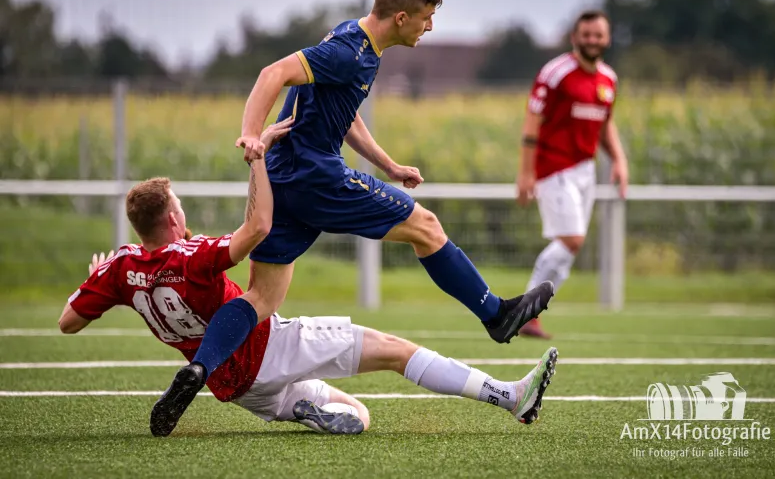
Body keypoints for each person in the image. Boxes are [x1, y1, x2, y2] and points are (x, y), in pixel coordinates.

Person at [149, 0, 557, 433]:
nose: (430, 26)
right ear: (401, 17)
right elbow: (272, 73)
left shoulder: (354, 43)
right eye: (426, 16)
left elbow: (346, 111)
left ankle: (199, 369)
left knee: (261, 298)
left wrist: (387, 165)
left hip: (283, 183)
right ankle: (497, 315)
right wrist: (251, 134)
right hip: (316, 177)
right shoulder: (349, 49)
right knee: (426, 228)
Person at [58, 120, 559, 437]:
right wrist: (258, 160)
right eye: (180, 209)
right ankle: (509, 397)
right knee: (394, 350)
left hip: (237, 389)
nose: (184, 216)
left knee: (357, 414)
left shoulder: (122, 269)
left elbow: (68, 323)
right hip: (265, 346)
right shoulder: (192, 254)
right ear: (171, 219)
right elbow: (256, 229)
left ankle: (307, 410)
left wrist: (99, 275)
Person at [515, 10, 629, 339]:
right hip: (552, 166)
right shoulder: (555, 73)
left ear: (607, 39)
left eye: (599, 35)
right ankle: (524, 311)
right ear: (574, 37)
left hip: (584, 170)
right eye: (587, 34)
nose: (593, 40)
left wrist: (619, 160)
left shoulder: (609, 79)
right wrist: (525, 173)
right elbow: (531, 123)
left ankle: (530, 315)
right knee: (572, 239)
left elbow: (605, 125)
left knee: (569, 246)